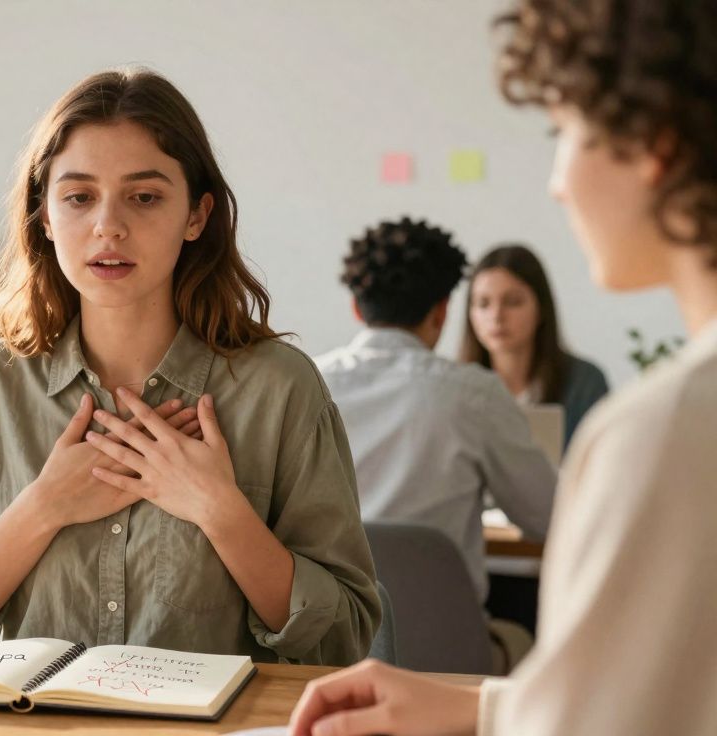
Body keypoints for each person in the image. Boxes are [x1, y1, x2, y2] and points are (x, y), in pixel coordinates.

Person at [290, 0, 717, 733]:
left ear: (657, 146)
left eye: (564, 133)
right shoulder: (635, 418)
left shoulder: (669, 429)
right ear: (447, 310)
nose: (556, 181)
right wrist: (483, 704)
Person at [0, 68, 380, 664]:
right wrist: (45, 506)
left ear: (196, 216)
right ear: (44, 215)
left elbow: (344, 636)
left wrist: (218, 509)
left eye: (144, 197)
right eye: (78, 197)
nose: (109, 226)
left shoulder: (280, 389)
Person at [315, 217, 556, 672]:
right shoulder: (473, 395)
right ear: (442, 311)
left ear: (356, 308)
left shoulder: (305, 383)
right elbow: (547, 516)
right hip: (445, 659)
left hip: (327, 654)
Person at [461, 243, 609, 449]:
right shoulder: (454, 388)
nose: (496, 316)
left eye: (512, 302)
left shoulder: (585, 382)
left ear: (540, 307)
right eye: (483, 304)